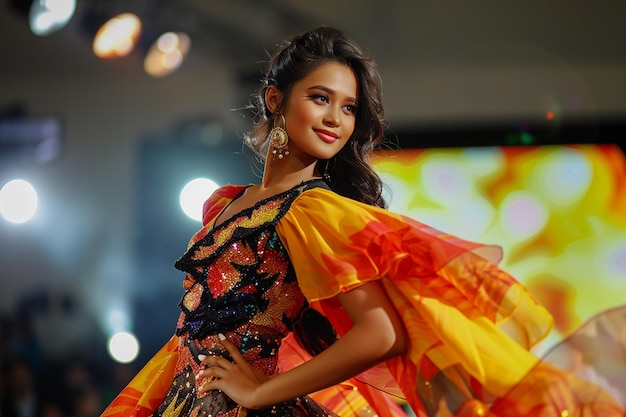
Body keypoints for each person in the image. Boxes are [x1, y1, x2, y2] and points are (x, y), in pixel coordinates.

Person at [101, 26, 626, 417]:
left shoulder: (312, 210)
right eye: (321, 98)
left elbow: (380, 334)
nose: (335, 119)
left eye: (349, 108)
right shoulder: (222, 204)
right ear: (274, 99)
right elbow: (190, 334)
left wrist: (260, 391)